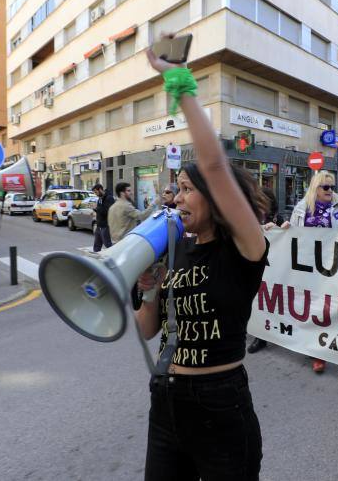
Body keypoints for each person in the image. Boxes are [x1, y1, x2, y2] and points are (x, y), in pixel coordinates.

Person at [135, 44, 269, 480]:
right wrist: (149, 288)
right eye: (176, 188)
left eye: (187, 188)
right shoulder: (175, 249)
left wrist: (179, 82)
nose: (175, 197)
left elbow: (212, 164)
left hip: (220, 401)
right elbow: (147, 330)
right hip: (166, 398)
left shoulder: (244, 248)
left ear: (214, 197)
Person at [283, 170, 338, 373]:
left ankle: (332, 345)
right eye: (326, 187)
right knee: (311, 307)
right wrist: (282, 228)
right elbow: (292, 231)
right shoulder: (302, 208)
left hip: (333, 264)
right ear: (315, 188)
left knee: (330, 307)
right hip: (308, 265)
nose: (330, 190)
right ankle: (315, 353)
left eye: (332, 187)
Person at [247, 187, 284, 354]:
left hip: (275, 270)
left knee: (271, 303)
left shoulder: (279, 219)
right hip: (254, 268)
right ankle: (259, 335)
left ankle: (269, 333)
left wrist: (280, 228)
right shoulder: (249, 218)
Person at [91, 184, 114, 253]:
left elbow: (107, 211)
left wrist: (96, 208)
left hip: (105, 226)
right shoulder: (100, 199)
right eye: (94, 193)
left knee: (108, 244)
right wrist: (95, 210)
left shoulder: (109, 198)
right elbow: (100, 210)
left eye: (96, 192)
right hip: (99, 225)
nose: (96, 194)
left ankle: (113, 257)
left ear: (100, 189)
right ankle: (95, 261)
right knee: (97, 245)